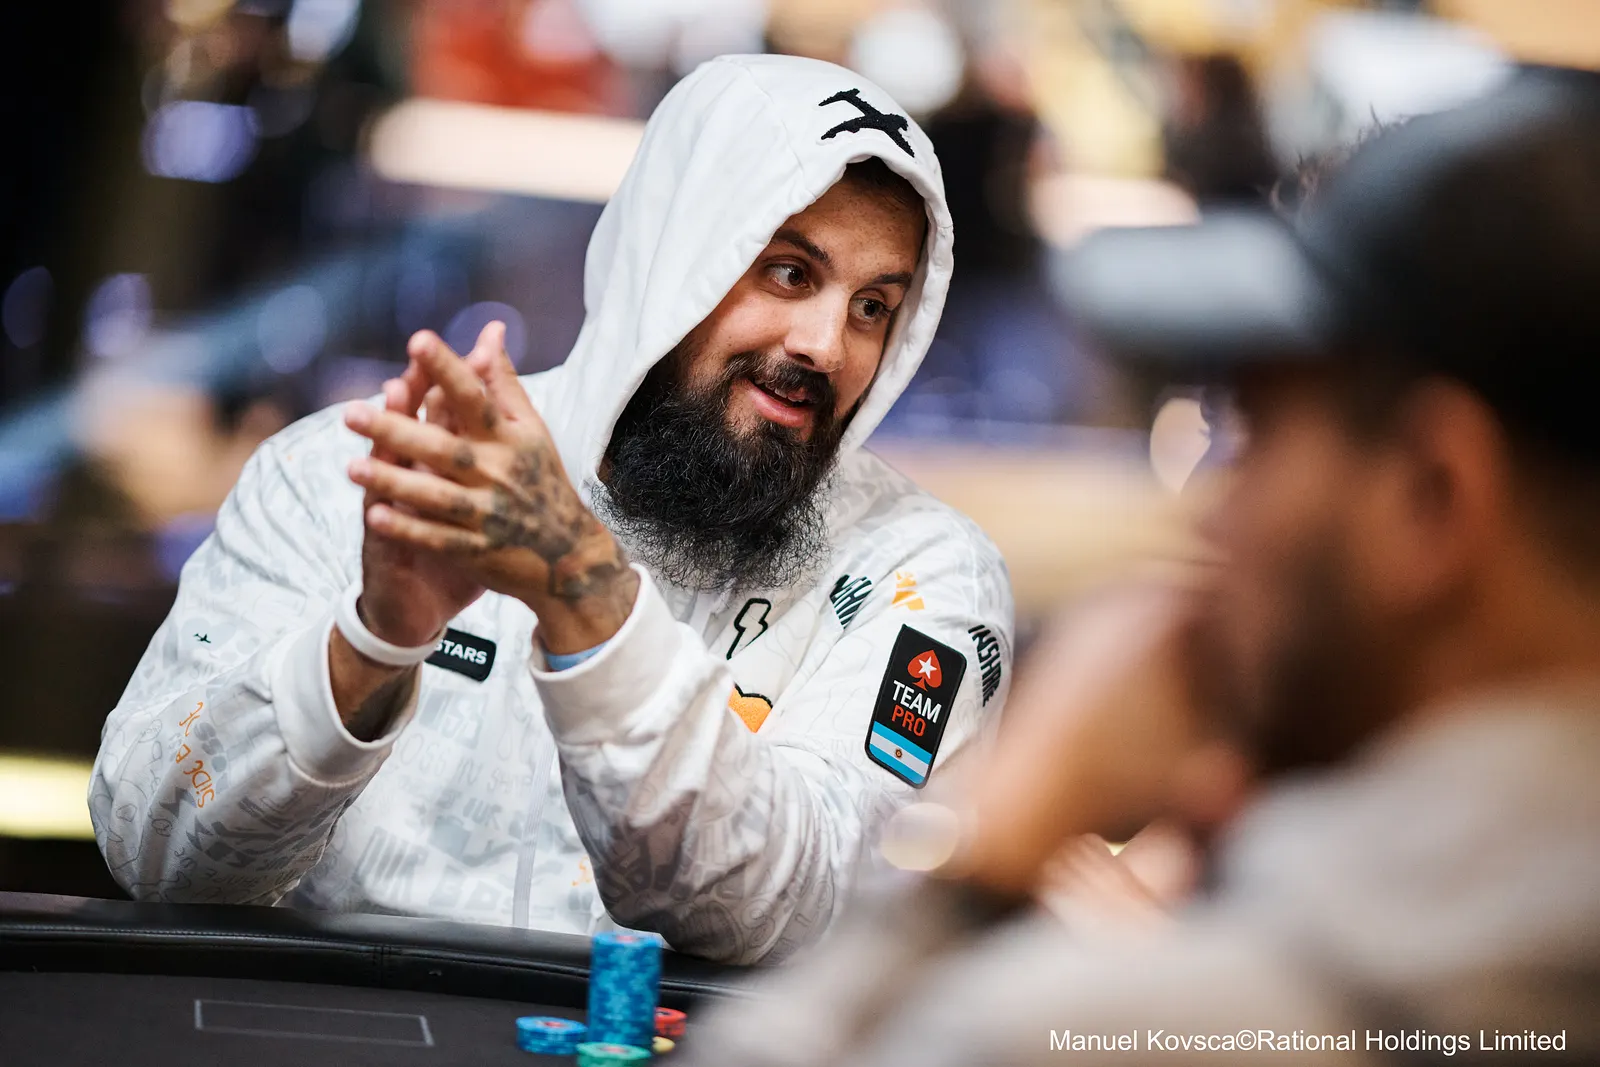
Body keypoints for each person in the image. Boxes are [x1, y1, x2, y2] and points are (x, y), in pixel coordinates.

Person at [686, 67, 1600, 1061]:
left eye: (1258, 435)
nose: (1218, 511)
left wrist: (988, 866)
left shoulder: (1159, 1023)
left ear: (1431, 496)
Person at [89, 54, 1014, 965]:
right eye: (789, 273)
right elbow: (153, 857)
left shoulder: (915, 574)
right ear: (674, 257)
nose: (826, 345)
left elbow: (814, 909)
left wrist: (583, 589)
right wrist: (368, 646)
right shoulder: (347, 473)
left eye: (872, 307)